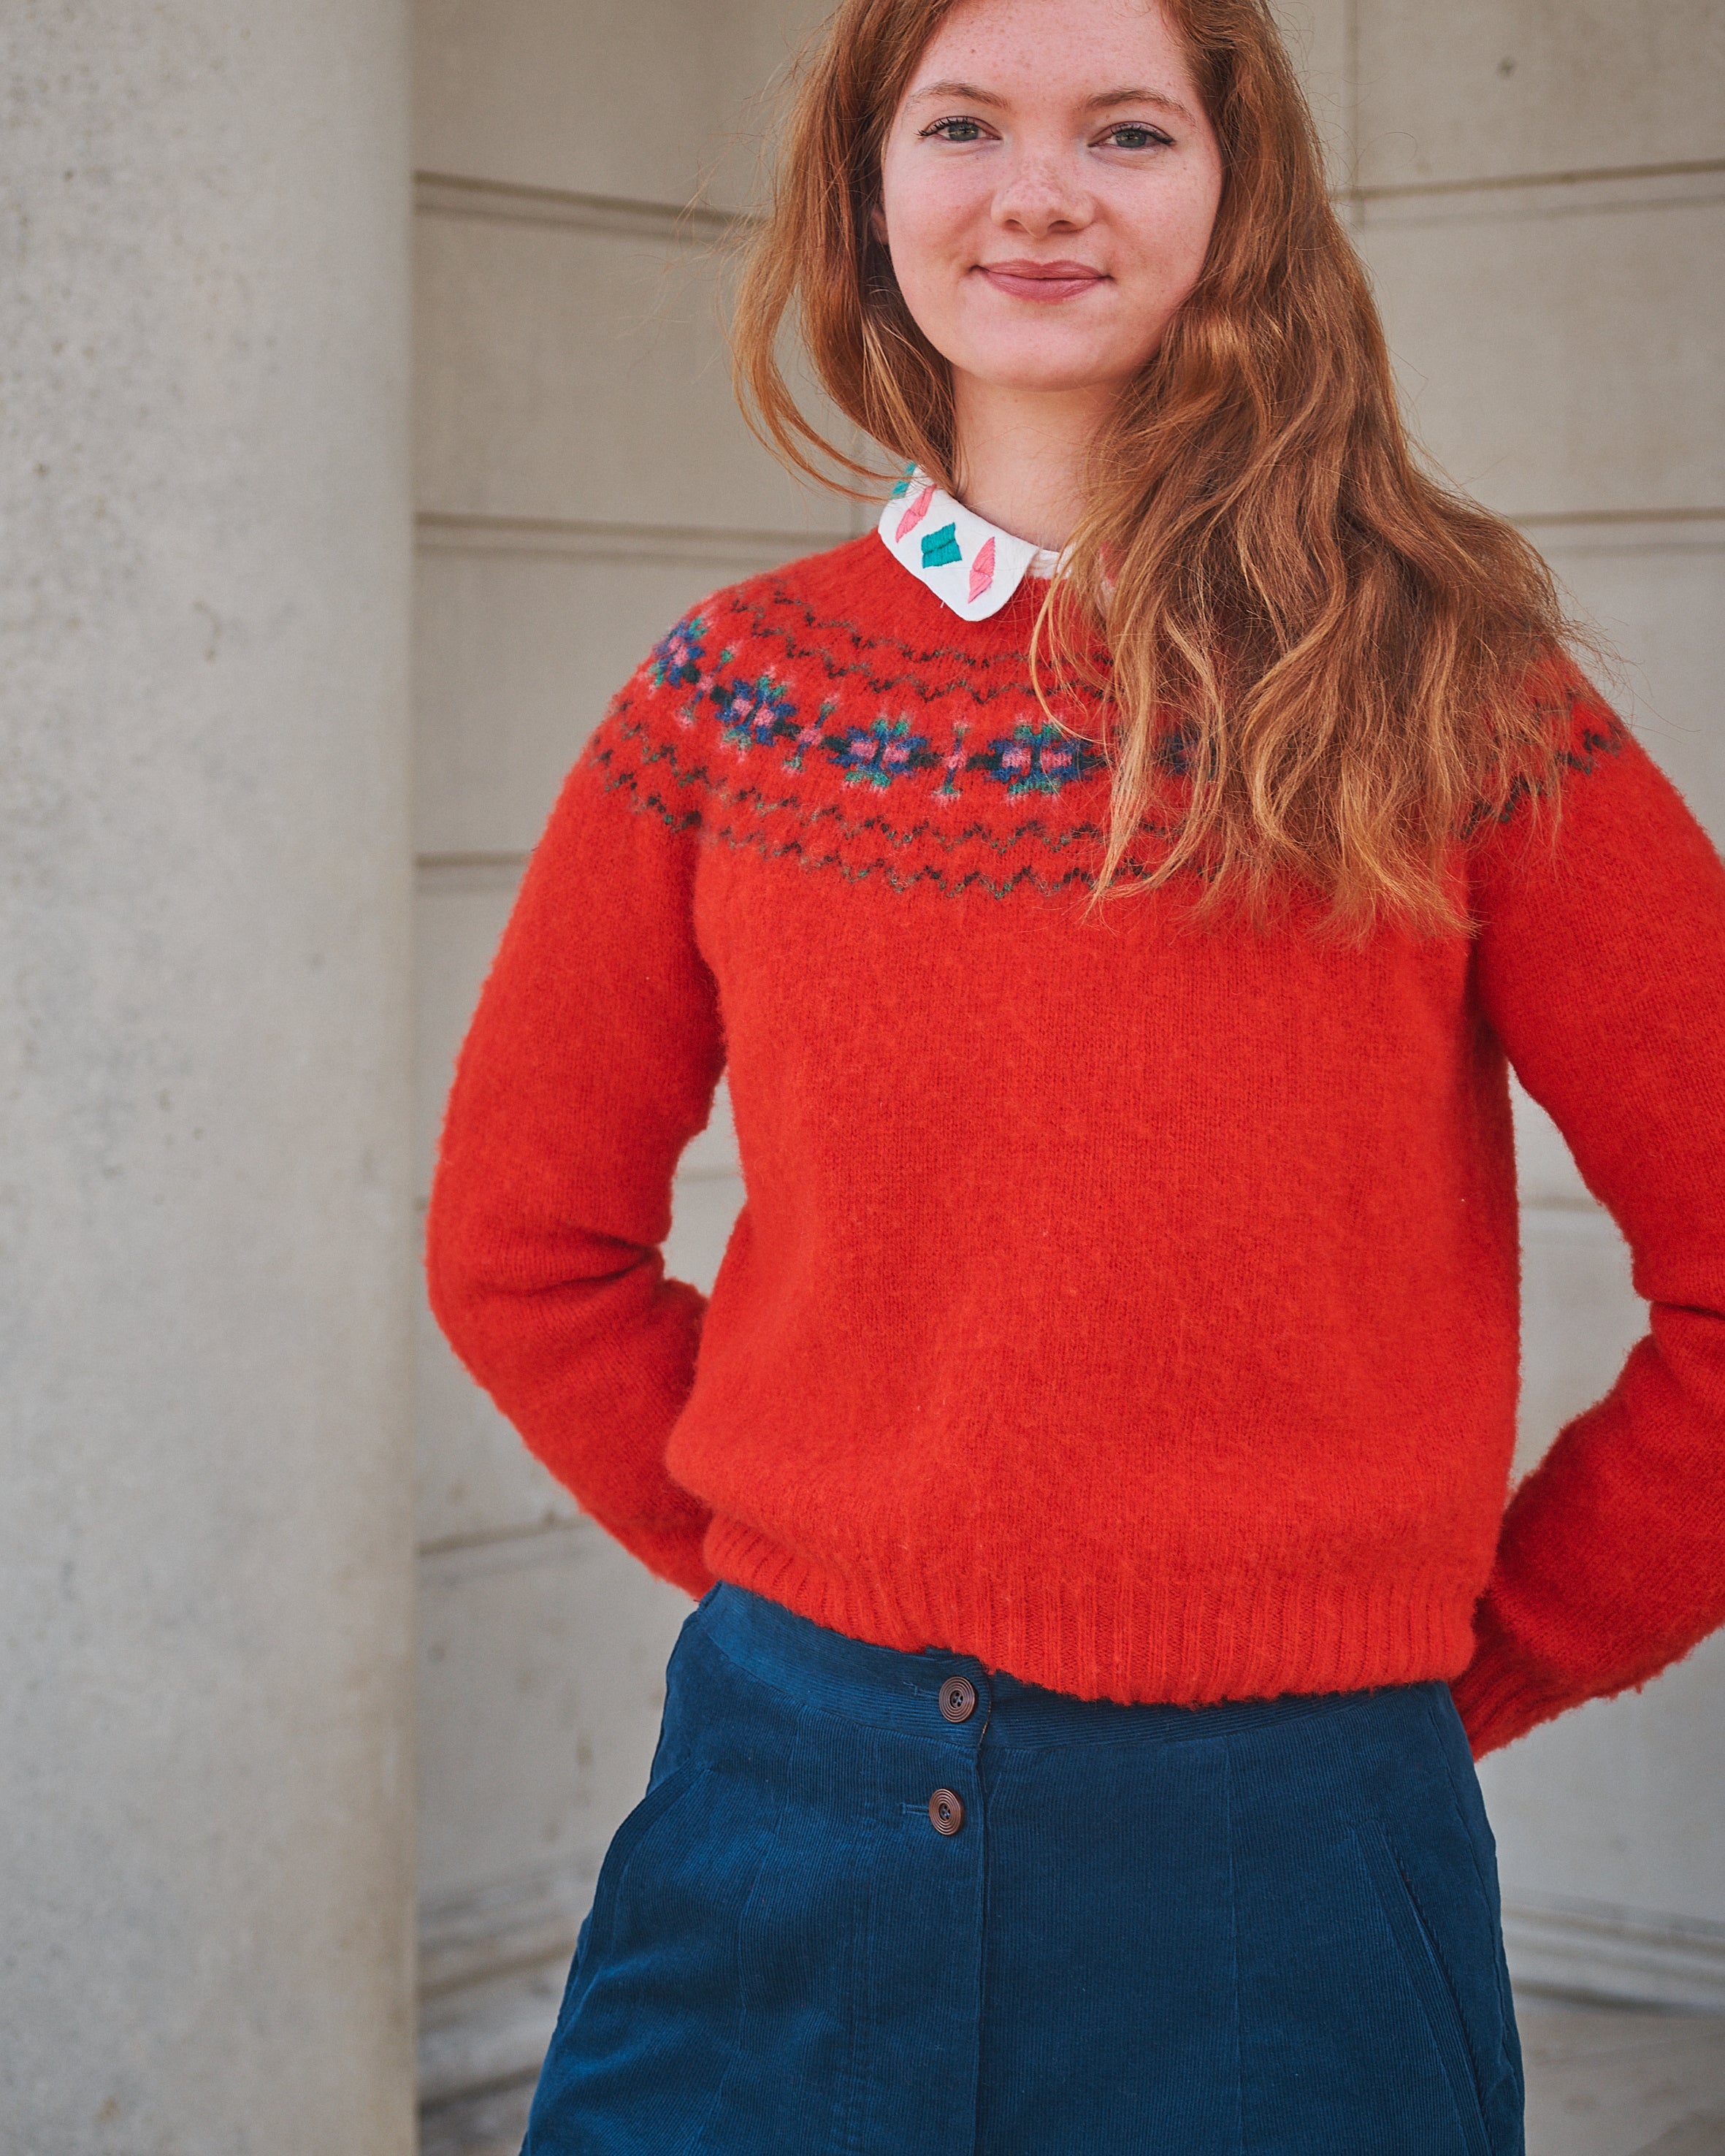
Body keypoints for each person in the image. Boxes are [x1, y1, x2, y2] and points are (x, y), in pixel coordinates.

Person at [424, 0, 1725, 2147]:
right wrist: (812, 1557)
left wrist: (1484, 1649)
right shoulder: (729, 701)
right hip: (778, 1824)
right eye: (962, 124)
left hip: (1283, 1863)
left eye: (1125, 129)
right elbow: (515, 1244)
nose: (1037, 191)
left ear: (1239, 197)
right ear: (867, 189)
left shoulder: (1447, 688)